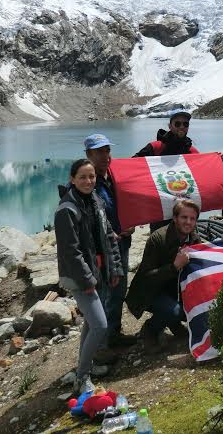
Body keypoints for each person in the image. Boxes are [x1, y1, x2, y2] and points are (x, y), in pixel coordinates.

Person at [55, 159, 123, 395]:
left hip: (98, 272)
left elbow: (108, 236)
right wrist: (88, 282)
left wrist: (114, 269)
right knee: (100, 325)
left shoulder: (96, 201)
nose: (88, 181)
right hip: (81, 277)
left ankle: (86, 367)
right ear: (72, 179)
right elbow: (71, 253)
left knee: (91, 323)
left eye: (92, 176)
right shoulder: (67, 210)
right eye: (83, 177)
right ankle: (82, 377)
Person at [126, 200, 203, 353]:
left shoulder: (194, 238)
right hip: (150, 291)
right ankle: (150, 330)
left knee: (193, 308)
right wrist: (174, 267)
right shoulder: (158, 238)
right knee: (175, 311)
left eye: (192, 218)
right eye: (184, 217)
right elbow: (147, 277)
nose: (188, 222)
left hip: (173, 289)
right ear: (175, 218)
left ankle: (172, 323)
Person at [83, 133, 137, 347]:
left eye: (107, 150)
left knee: (118, 290)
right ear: (89, 154)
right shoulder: (87, 182)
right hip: (100, 251)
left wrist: (129, 223)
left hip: (121, 244)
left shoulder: (112, 177)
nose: (105, 156)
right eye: (99, 152)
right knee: (104, 293)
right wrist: (107, 234)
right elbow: (86, 220)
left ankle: (113, 333)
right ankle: (100, 345)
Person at [133, 109, 199, 157]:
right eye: (177, 124)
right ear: (170, 126)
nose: (182, 127)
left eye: (185, 124)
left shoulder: (193, 152)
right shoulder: (154, 147)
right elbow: (132, 164)